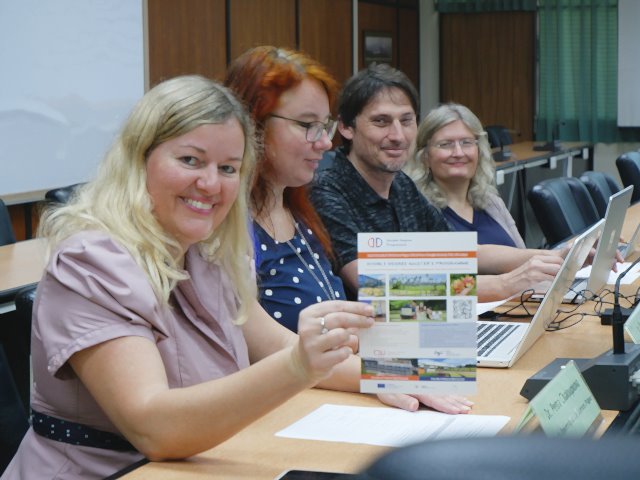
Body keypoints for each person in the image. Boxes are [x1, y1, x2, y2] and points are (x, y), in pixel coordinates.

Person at [3, 75, 471, 480]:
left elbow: (282, 346)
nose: (212, 183)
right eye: (190, 160)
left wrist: (393, 375)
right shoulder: (91, 262)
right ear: (138, 158)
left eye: (228, 168)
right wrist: (298, 370)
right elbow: (154, 426)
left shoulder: (208, 254)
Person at [310, 64, 564, 303]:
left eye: (407, 121)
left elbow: (462, 252)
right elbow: (376, 285)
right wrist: (503, 285)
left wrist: (555, 258)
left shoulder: (401, 185)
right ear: (345, 127)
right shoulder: (327, 192)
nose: (398, 136)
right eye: (381, 121)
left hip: (425, 332)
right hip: (375, 344)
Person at [224, 46, 346, 332]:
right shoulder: (229, 227)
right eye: (307, 125)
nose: (325, 143)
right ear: (253, 122)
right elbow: (280, 353)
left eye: (325, 126)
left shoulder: (298, 210)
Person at [405, 103, 525, 248]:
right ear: (425, 156)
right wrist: (517, 272)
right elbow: (446, 268)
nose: (458, 153)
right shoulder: (417, 211)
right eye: (445, 144)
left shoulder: (492, 202)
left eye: (466, 143)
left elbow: (525, 254)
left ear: (479, 151)